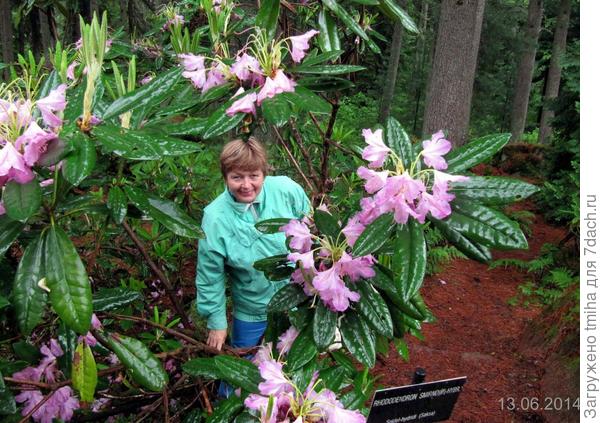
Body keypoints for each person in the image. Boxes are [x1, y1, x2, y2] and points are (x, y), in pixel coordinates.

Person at [195, 137, 310, 354]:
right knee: (245, 375)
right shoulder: (215, 217)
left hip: (297, 301)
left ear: (264, 174)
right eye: (237, 177)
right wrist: (217, 322)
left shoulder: (286, 190)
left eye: (254, 176)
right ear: (226, 177)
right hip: (253, 311)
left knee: (293, 370)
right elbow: (210, 274)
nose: (246, 185)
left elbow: (313, 229)